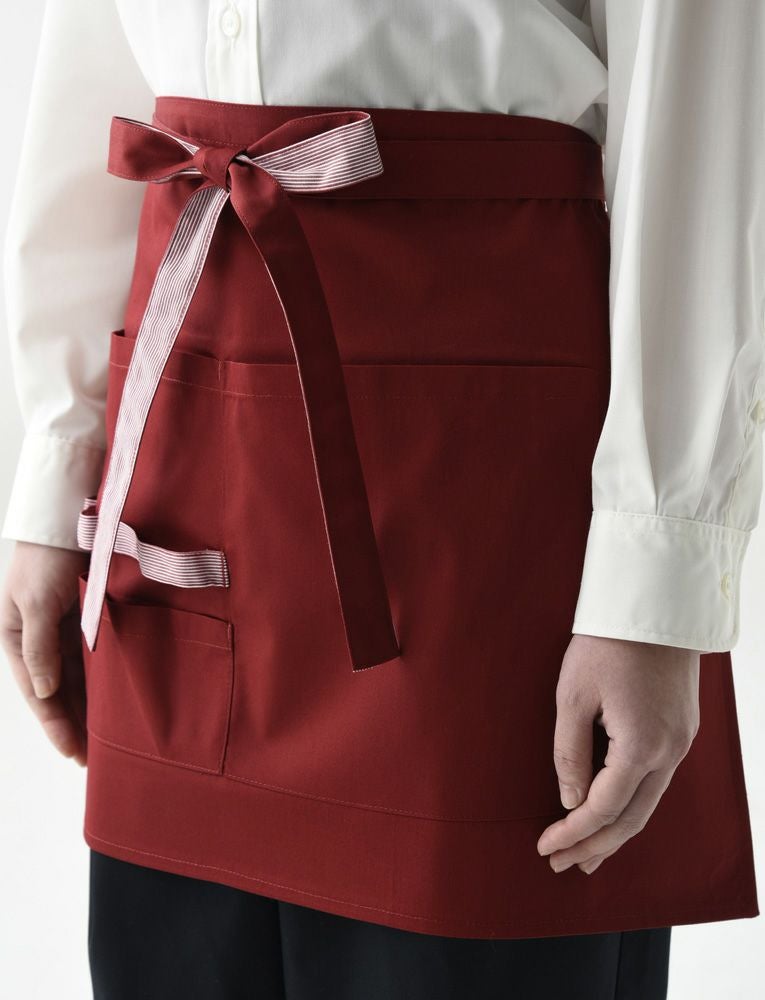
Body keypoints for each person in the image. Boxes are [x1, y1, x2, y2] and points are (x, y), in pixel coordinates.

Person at [1, 1, 762, 998]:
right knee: (175, 953)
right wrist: (58, 468)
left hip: (480, 480)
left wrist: (653, 589)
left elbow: (698, 118)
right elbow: (91, 63)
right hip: (183, 419)